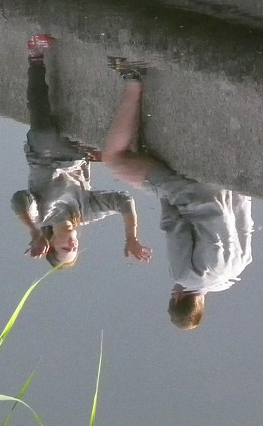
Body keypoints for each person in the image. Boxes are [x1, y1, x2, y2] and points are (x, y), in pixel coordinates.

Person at [102, 59, 253, 329]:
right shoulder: (185, 276)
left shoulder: (236, 271)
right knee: (114, 159)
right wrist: (153, 184)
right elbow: (174, 225)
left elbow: (245, 220)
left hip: (226, 193)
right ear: (177, 297)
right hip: (193, 195)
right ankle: (133, 80)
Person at [11, 35, 152, 268]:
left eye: (65, 249)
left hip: (46, 155)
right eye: (75, 250)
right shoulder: (84, 213)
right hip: (78, 156)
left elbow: (19, 200)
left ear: (52, 242)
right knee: (126, 151)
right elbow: (123, 201)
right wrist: (131, 237)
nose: (73, 245)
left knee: (43, 131)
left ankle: (35, 56)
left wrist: (34, 231)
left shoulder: (42, 216)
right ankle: (129, 75)